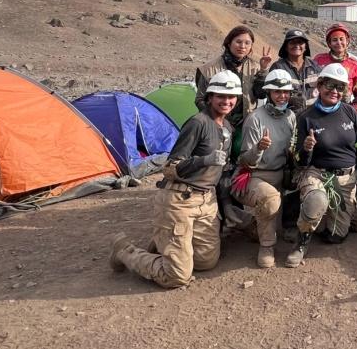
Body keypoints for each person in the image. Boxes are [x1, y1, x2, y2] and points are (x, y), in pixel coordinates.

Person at [109, 71, 236, 288]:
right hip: (180, 199)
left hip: (207, 202)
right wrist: (203, 161)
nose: (226, 101)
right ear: (210, 97)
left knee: (206, 262)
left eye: (231, 97)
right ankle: (124, 251)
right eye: (220, 96)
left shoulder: (227, 128)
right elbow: (170, 168)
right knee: (177, 276)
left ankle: (164, 241)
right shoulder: (198, 123)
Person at [286, 64, 357, 267]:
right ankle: (302, 241)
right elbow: (298, 161)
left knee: (346, 232)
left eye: (340, 87)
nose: (335, 91)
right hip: (318, 174)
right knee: (316, 200)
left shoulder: (350, 112)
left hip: (346, 179)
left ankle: (321, 217)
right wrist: (307, 149)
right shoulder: (305, 117)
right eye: (330, 85)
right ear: (319, 85)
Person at [228, 70, 297, 268]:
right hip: (254, 175)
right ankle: (266, 246)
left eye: (286, 92)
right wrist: (259, 148)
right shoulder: (255, 118)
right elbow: (245, 160)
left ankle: (254, 223)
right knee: (269, 200)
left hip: (280, 173)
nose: (282, 96)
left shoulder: (291, 116)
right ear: (268, 93)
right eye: (277, 92)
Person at [195, 25, 268, 156]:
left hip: (245, 123)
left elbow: (261, 95)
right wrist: (217, 119)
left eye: (247, 43)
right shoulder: (209, 69)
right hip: (216, 122)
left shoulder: (256, 67)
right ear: (229, 43)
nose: (242, 46)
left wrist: (263, 71)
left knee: (241, 154)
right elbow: (200, 99)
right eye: (238, 42)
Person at [261, 29, 321, 113]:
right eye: (292, 42)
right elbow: (264, 93)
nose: (296, 45)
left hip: (312, 117)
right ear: (286, 47)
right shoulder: (278, 67)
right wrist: (263, 69)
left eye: (300, 42)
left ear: (306, 46)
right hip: (285, 117)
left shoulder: (315, 67)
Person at [314, 23, 357, 114]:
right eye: (334, 40)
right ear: (329, 43)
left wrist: (355, 110)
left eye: (341, 39)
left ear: (347, 41)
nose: (339, 43)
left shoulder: (355, 64)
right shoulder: (319, 60)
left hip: (344, 110)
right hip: (320, 108)